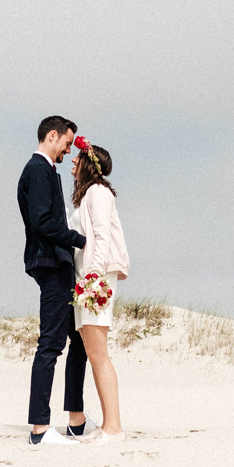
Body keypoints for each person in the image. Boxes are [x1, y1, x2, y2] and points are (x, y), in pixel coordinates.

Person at [17, 115, 89, 445]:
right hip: (50, 262)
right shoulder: (37, 169)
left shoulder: (45, 171)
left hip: (57, 262)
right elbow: (43, 221)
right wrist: (80, 239)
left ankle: (76, 419)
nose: (67, 150)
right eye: (67, 143)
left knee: (77, 338)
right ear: (51, 136)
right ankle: (40, 429)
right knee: (50, 344)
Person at [69, 138, 129, 443]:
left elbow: (103, 237)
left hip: (96, 279)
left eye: (77, 159)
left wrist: (92, 278)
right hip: (86, 278)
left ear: (88, 164)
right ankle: (108, 426)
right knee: (94, 353)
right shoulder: (86, 195)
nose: (72, 163)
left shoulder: (99, 192)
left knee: (99, 353)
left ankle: (114, 427)